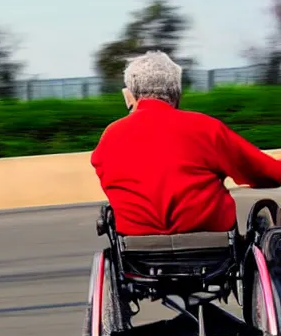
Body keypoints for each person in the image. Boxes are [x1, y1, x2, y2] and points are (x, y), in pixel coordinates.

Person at [90, 51, 281, 236]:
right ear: (177, 93)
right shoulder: (205, 128)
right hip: (215, 248)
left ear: (129, 94)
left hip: (138, 257)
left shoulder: (110, 137)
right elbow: (264, 172)